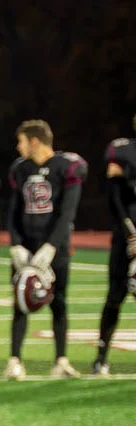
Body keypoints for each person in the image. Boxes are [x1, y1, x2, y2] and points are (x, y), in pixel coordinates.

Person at [6, 120, 86, 380]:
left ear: (35, 141)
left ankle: (61, 360)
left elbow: (68, 212)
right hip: (27, 245)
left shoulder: (67, 166)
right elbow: (13, 210)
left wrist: (52, 245)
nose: (18, 147)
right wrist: (16, 243)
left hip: (55, 247)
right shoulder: (20, 169)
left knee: (59, 302)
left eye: (21, 141)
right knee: (20, 302)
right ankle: (15, 360)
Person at [95, 118, 136, 375]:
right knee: (115, 296)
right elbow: (114, 195)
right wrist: (130, 232)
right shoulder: (122, 150)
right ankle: (101, 357)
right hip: (126, 234)